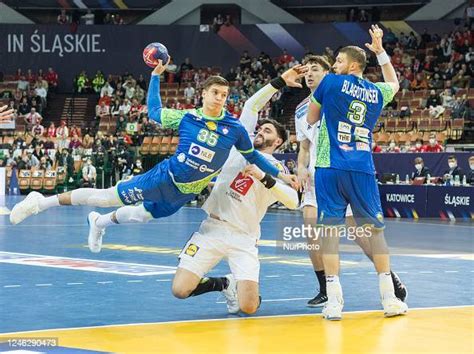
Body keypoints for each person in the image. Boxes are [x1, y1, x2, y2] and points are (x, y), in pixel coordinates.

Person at [10, 59, 298, 253]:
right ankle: (39, 202)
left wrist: (281, 173)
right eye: (215, 93)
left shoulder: (234, 128)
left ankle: (99, 223)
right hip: (165, 177)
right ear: (204, 93)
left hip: (186, 192)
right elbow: (156, 112)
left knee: (141, 215)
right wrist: (155, 77)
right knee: (106, 196)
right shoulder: (187, 118)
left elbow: (253, 157)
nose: (220, 98)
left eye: (224, 94)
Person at [172, 69, 302, 314]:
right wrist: (279, 81)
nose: (259, 132)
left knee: (249, 307)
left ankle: (238, 287)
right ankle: (224, 283)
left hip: (244, 237)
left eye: (267, 131)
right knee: (180, 289)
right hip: (213, 228)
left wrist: (264, 178)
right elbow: (252, 106)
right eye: (259, 129)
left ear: (278, 142)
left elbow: (294, 202)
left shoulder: (276, 168)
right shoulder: (238, 147)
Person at [306, 25, 408, 320]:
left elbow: (312, 118)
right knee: (375, 232)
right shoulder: (376, 91)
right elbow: (395, 84)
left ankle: (334, 302)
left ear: (350, 65)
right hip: (362, 166)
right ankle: (389, 298)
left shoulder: (329, 82)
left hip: (329, 165)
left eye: (337, 61)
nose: (333, 65)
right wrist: (381, 52)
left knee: (329, 233)